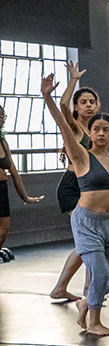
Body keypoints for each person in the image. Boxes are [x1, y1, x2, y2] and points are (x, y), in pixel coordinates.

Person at [42, 73, 109, 336]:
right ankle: (93, 322)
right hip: (88, 221)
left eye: (106, 130)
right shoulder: (81, 155)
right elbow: (63, 124)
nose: (101, 133)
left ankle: (85, 301)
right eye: (97, 130)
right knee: (99, 273)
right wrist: (48, 97)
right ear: (89, 133)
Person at [49, 61, 98, 302]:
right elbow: (62, 105)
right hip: (72, 187)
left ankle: (89, 288)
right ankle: (67, 288)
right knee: (87, 240)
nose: (88, 105)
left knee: (92, 240)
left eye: (92, 102)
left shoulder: (97, 130)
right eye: (84, 102)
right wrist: (73, 80)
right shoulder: (75, 128)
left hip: (89, 187)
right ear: (77, 108)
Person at [0, 104, 44, 251]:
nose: (1, 118)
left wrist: (25, 197)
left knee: (4, 229)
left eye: (2, 115)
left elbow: (14, 173)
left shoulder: (3, 142)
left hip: (2, 189)